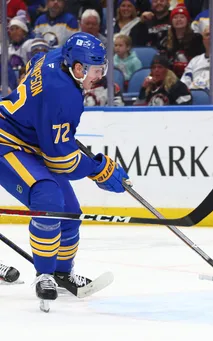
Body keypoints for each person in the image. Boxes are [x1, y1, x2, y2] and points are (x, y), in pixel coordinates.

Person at [0, 33, 130, 307]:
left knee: (69, 213)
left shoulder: (56, 57)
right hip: (6, 142)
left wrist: (45, 120)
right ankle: (44, 274)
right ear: (79, 68)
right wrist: (99, 170)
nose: (99, 75)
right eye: (96, 70)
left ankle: (61, 273)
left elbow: (33, 62)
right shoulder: (65, 97)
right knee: (49, 199)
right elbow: (61, 162)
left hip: (33, 144)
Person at [181, 26, 213, 94]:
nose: (209, 37)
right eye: (207, 35)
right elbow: (185, 80)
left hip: (212, 96)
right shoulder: (195, 60)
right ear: (203, 40)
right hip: (191, 94)